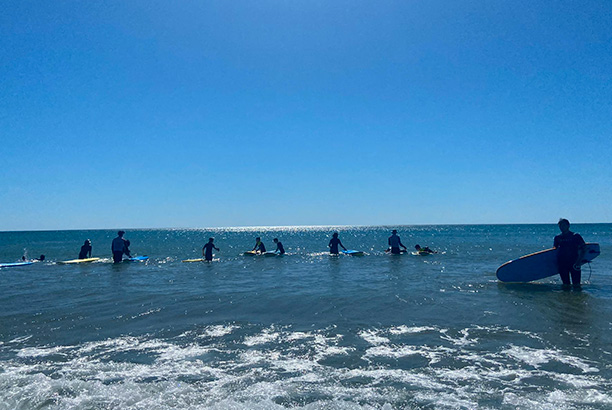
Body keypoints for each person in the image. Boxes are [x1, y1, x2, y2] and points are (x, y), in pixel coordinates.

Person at [553, 218, 586, 288]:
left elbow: (583, 249)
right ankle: (566, 298)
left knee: (577, 285)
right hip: (562, 263)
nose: (562, 227)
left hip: (574, 263)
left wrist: (579, 262)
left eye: (564, 225)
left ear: (568, 225)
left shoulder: (575, 236)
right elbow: (554, 251)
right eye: (560, 226)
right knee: (565, 285)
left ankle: (577, 298)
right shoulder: (557, 238)